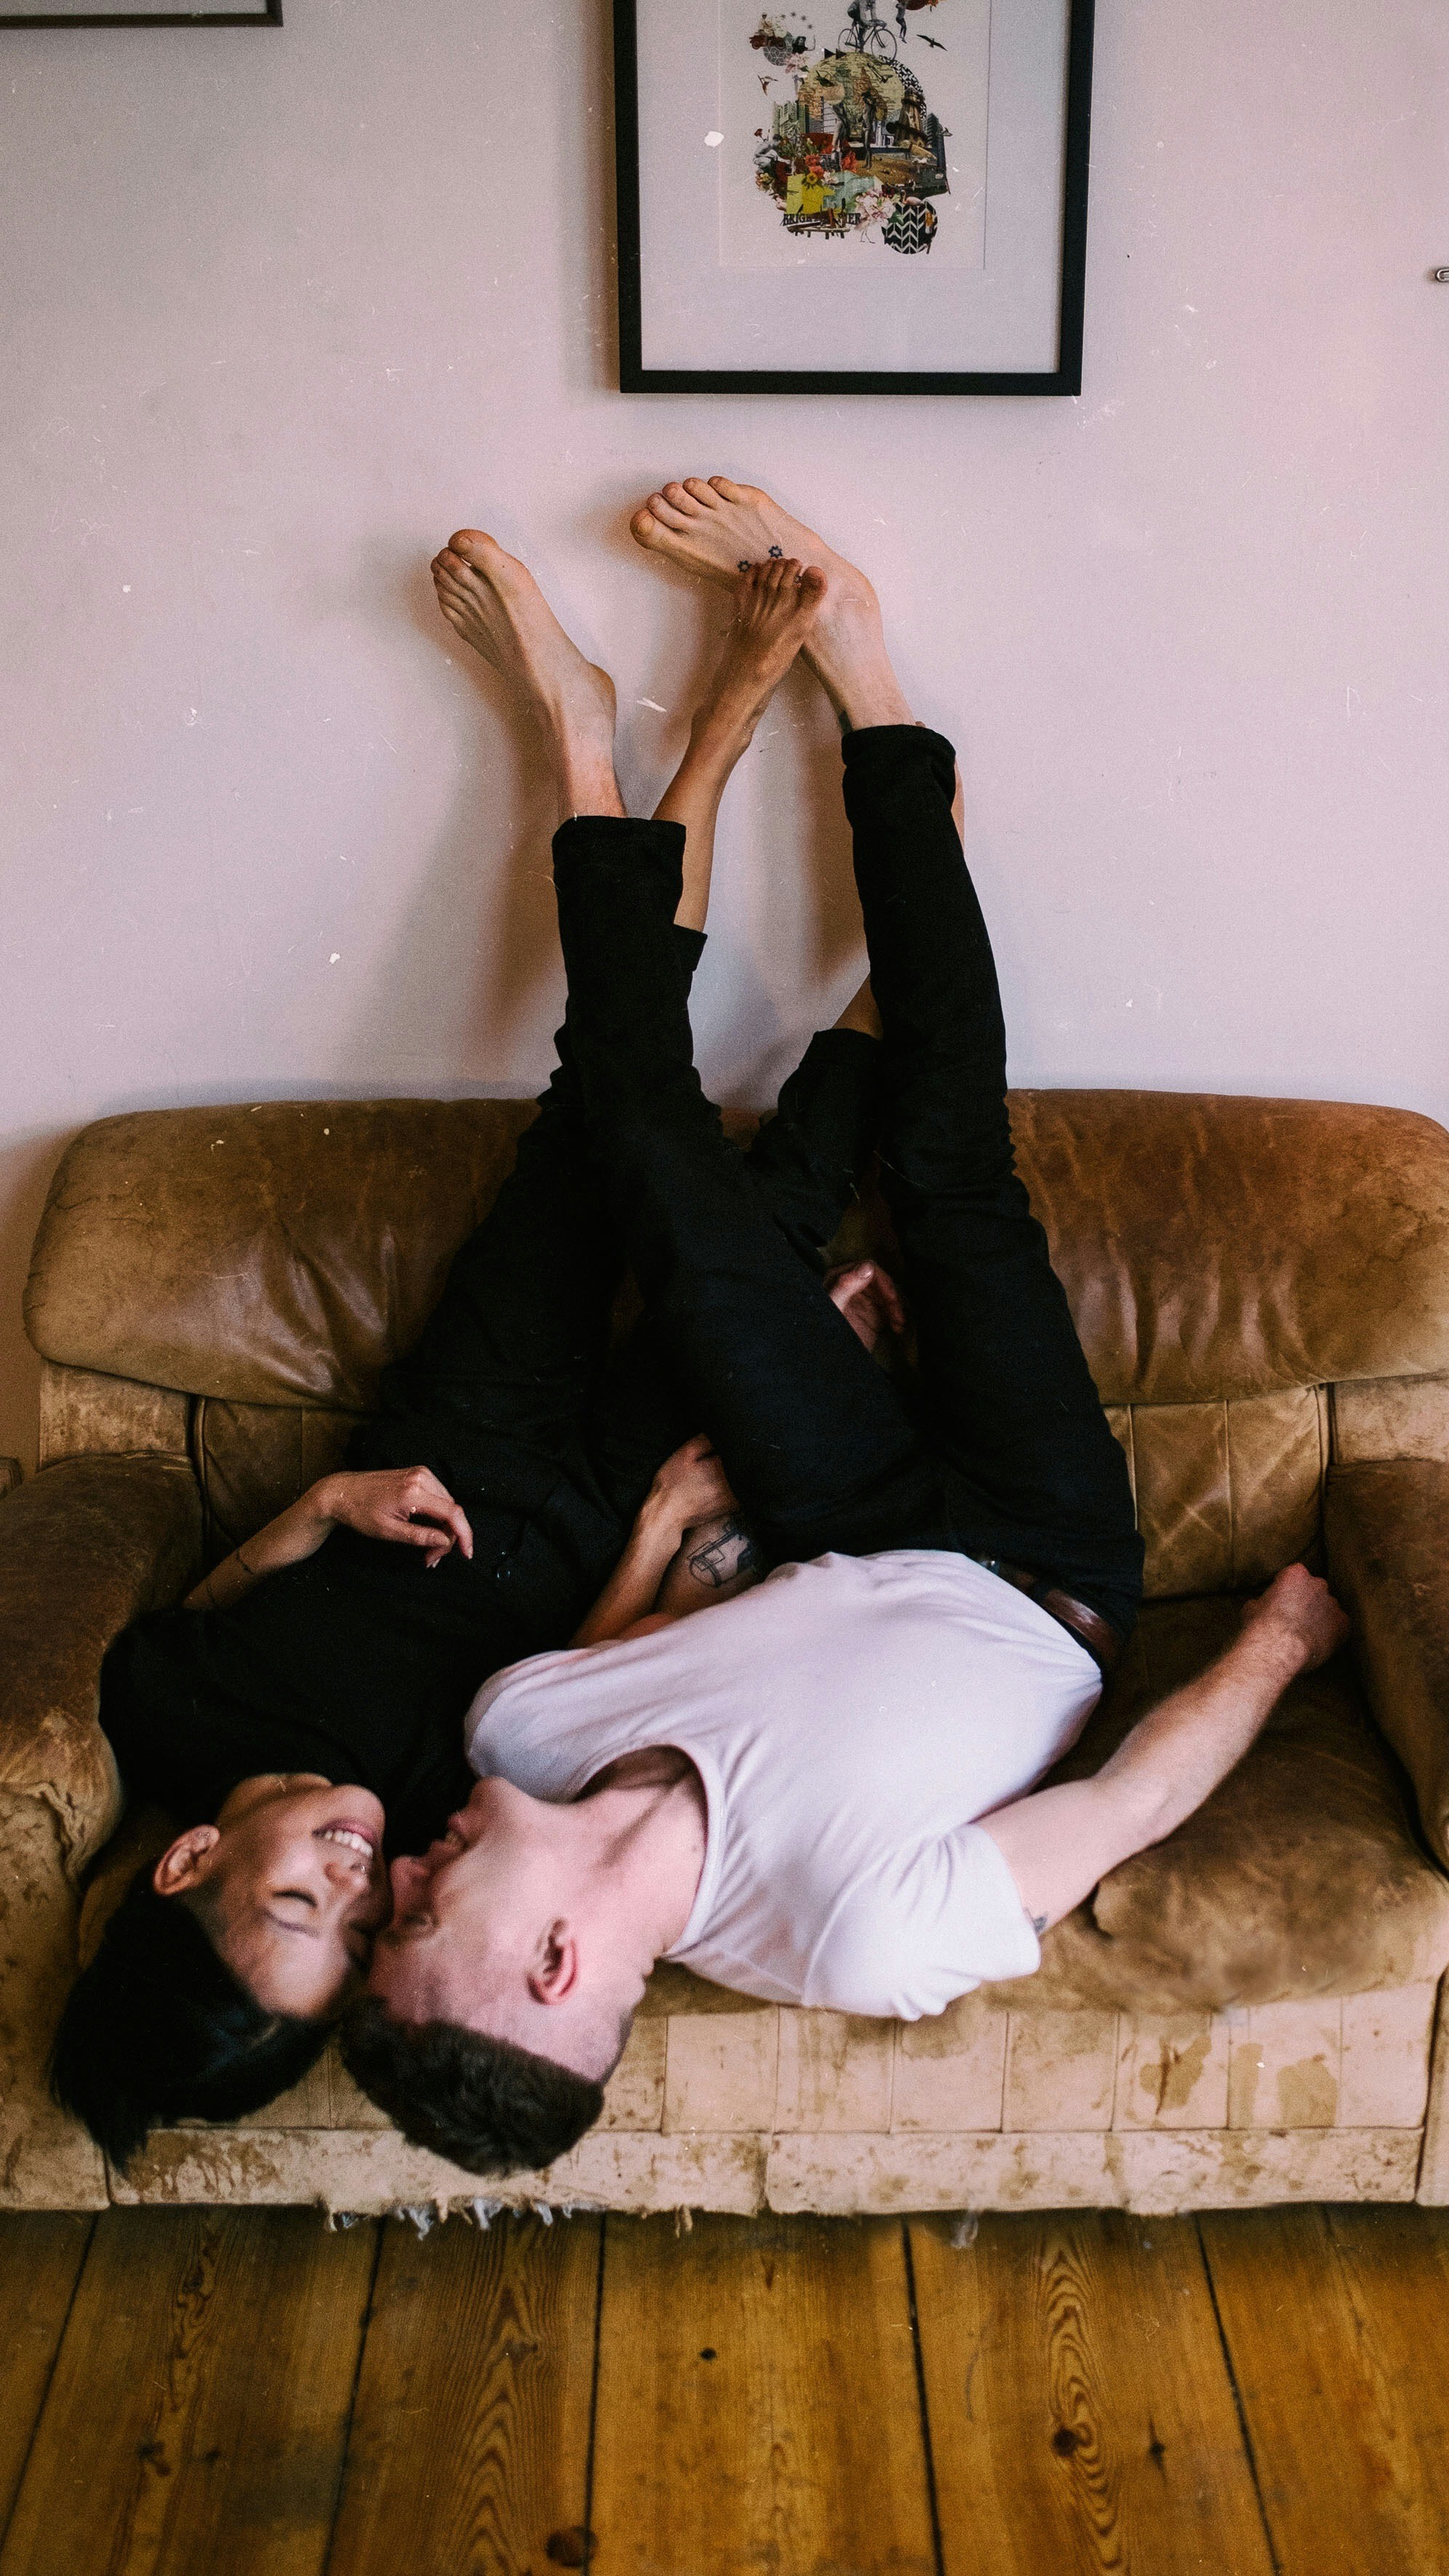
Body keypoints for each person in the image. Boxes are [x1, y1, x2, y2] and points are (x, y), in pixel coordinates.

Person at [345, 479, 1349, 2180]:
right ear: (553, 1965)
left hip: (827, 1504)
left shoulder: (512, 1730)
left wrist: (715, 1488)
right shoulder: (855, 1938)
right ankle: (874, 693)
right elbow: (1119, 1810)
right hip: (1040, 1562)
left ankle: (589, 746)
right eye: (420, 1915)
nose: (405, 1870)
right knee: (949, 1169)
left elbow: (652, 1641)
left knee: (648, 1148)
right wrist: (1283, 1638)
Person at [50, 546, 892, 2168]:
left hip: (464, 1423)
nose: (363, 1877)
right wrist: (657, 1531)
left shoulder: (162, 1710)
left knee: (602, 1115)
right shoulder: (431, 1845)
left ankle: (643, 730)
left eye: (298, 1889)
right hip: (593, 1511)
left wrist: (325, 1506)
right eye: (351, 1934)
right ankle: (902, 937)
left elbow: (225, 1588)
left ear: (188, 1857)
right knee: (780, 1219)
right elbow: (552, 1699)